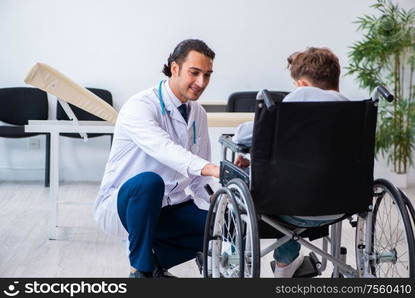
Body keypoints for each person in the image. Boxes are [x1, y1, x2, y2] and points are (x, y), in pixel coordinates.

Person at [94, 39, 220, 278]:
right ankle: (140, 273)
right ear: (175, 68)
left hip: (172, 206)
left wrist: (222, 205)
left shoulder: (198, 114)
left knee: (227, 228)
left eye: (207, 75)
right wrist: (211, 168)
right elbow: (164, 149)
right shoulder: (140, 106)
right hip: (127, 204)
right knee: (149, 182)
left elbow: (198, 181)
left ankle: (155, 265)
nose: (201, 82)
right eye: (194, 73)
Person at [233, 47, 349, 278]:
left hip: (290, 205)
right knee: (298, 182)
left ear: (303, 85)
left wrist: (252, 157)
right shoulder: (354, 111)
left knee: (276, 186)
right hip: (343, 204)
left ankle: (284, 263)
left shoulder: (299, 98)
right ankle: (289, 265)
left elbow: (245, 136)